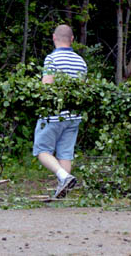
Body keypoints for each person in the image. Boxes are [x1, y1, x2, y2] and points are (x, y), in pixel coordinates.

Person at [35, 24, 88, 198]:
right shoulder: (81, 62)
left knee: (42, 150)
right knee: (65, 153)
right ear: (72, 39)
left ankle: (64, 176)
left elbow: (47, 84)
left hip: (53, 113)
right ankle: (63, 192)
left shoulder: (52, 59)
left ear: (53, 38)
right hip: (74, 115)